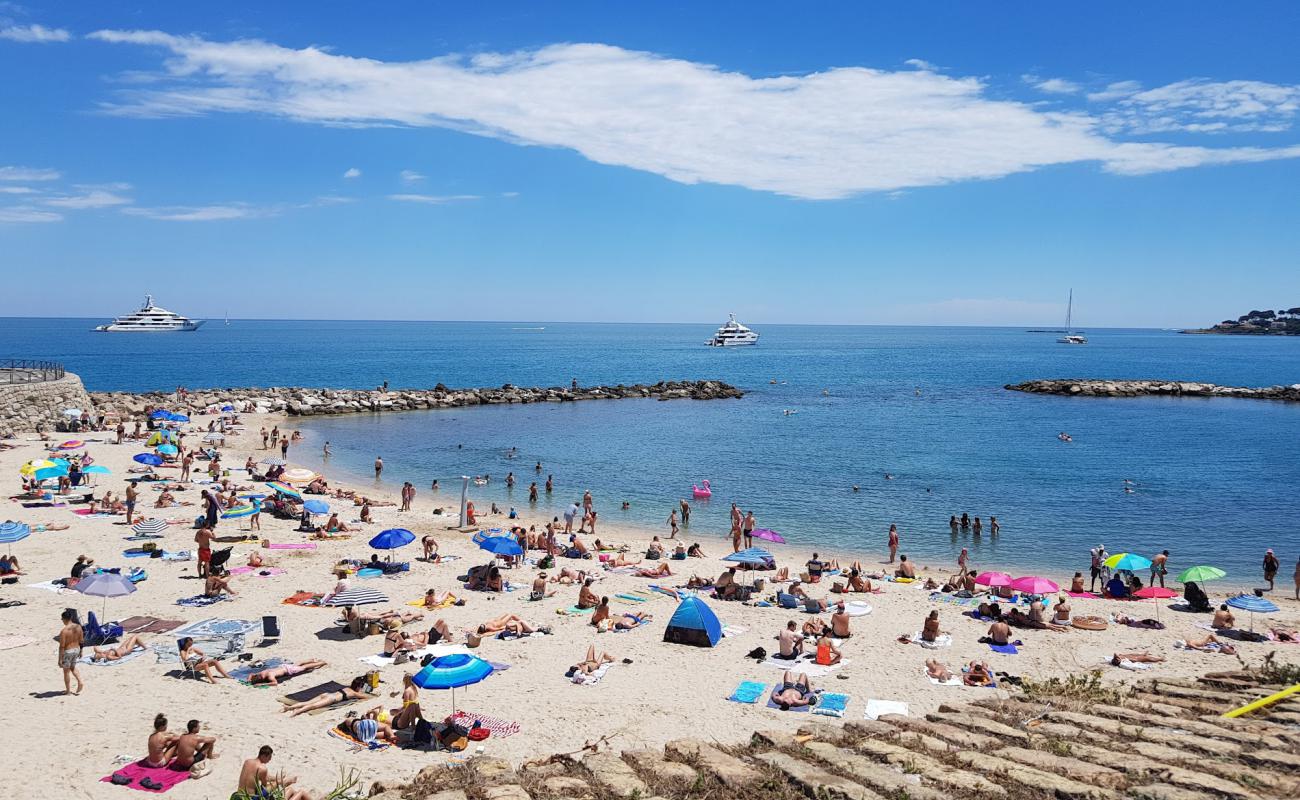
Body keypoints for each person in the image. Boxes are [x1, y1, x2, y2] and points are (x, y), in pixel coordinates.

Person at [237, 745, 312, 800]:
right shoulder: (262, 768)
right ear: (263, 756)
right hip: (252, 798)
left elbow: (263, 776)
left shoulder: (247, 762)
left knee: (290, 790)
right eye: (269, 758)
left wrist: (277, 778)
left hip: (241, 795)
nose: (269, 760)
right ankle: (284, 781)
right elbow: (264, 786)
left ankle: (282, 780)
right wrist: (277, 782)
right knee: (300, 792)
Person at [282, 676, 371, 716]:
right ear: (359, 687)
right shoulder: (354, 693)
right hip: (331, 698)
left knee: (307, 702)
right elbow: (366, 697)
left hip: (327, 694)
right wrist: (362, 692)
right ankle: (296, 712)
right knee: (312, 706)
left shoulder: (347, 688)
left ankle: (289, 708)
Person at [57, 609, 84, 695]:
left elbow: (62, 646)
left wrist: (60, 659)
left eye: (62, 619)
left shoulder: (64, 631)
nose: (62, 621)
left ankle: (68, 691)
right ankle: (80, 681)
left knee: (66, 671)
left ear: (65, 619)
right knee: (72, 667)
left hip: (68, 651)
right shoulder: (78, 627)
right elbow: (81, 640)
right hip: (76, 650)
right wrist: (81, 651)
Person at [248, 660, 327, 686]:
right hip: (283, 666)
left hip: (288, 670)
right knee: (297, 664)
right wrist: (249, 680)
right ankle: (312, 660)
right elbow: (251, 675)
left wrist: (262, 684)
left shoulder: (269, 676)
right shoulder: (261, 673)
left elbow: (275, 683)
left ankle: (321, 663)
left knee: (304, 667)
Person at [477, 613, 547, 637]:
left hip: (501, 622)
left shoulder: (488, 626)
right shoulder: (487, 624)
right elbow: (497, 628)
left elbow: (496, 629)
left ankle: (521, 621)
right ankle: (521, 620)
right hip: (503, 622)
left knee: (510, 615)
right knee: (511, 615)